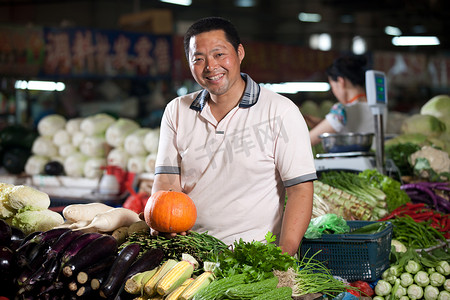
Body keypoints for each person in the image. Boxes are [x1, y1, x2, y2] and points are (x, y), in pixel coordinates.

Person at [151, 16, 316, 256]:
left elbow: (300, 189)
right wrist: (162, 221)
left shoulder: (281, 111)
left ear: (239, 52)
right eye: (198, 59)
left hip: (254, 257)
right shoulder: (176, 110)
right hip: (191, 254)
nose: (210, 66)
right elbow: (167, 182)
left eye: (219, 54)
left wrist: (284, 255)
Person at [307, 55, 375, 146]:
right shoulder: (378, 108)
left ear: (341, 82)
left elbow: (307, 141)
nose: (334, 92)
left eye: (333, 87)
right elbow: (342, 123)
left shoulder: (341, 111)